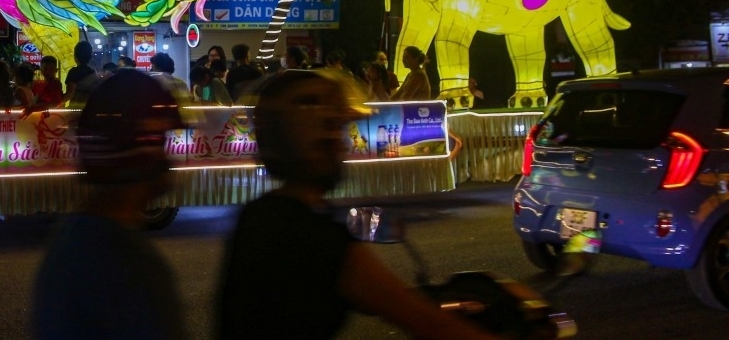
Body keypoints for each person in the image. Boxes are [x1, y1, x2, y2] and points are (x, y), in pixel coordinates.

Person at [216, 70, 502, 340]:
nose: (340, 143)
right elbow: (423, 320)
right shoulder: (308, 233)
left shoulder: (263, 214)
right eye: (331, 131)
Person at [32, 70, 187, 339]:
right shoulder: (133, 264)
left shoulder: (68, 239)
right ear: (142, 147)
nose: (167, 157)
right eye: (162, 139)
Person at [64, 40, 98, 108]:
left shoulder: (74, 72)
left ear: (75, 56)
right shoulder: (93, 72)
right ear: (90, 57)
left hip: (76, 110)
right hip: (90, 108)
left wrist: (59, 103)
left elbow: (70, 93)